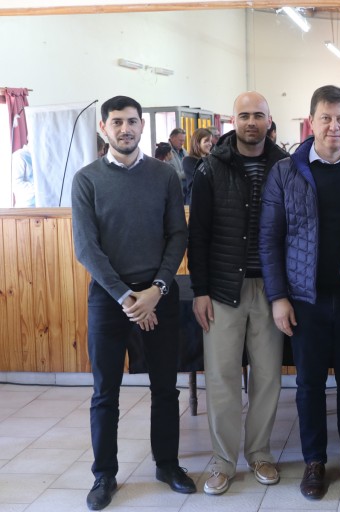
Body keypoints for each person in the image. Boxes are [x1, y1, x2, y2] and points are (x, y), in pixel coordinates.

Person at [71, 95, 195, 511]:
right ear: (104, 128)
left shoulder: (164, 175)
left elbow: (177, 234)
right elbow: (86, 247)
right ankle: (104, 475)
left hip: (159, 294)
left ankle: (167, 465)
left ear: (142, 126)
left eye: (132, 122)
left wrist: (156, 289)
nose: (125, 129)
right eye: (117, 122)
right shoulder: (87, 179)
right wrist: (127, 297)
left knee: (165, 388)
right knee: (105, 392)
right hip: (110, 299)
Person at [260, 85, 340, 501]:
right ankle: (314, 461)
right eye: (326, 118)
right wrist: (278, 297)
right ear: (311, 121)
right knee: (309, 384)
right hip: (304, 299)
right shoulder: (286, 170)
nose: (334, 126)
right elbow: (269, 238)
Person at [187, 92, 288, 496]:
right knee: (222, 376)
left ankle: (259, 452)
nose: (251, 122)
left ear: (269, 120)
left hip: (272, 288)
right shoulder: (211, 168)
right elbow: (198, 235)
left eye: (258, 115)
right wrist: (200, 290)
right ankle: (223, 460)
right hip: (223, 288)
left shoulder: (285, 165)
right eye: (244, 115)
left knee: (268, 376)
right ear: (233, 120)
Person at [182, 127, 213, 204]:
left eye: (210, 141)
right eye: (206, 141)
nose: (210, 144)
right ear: (197, 142)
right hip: (195, 202)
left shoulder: (211, 159)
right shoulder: (188, 160)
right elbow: (203, 178)